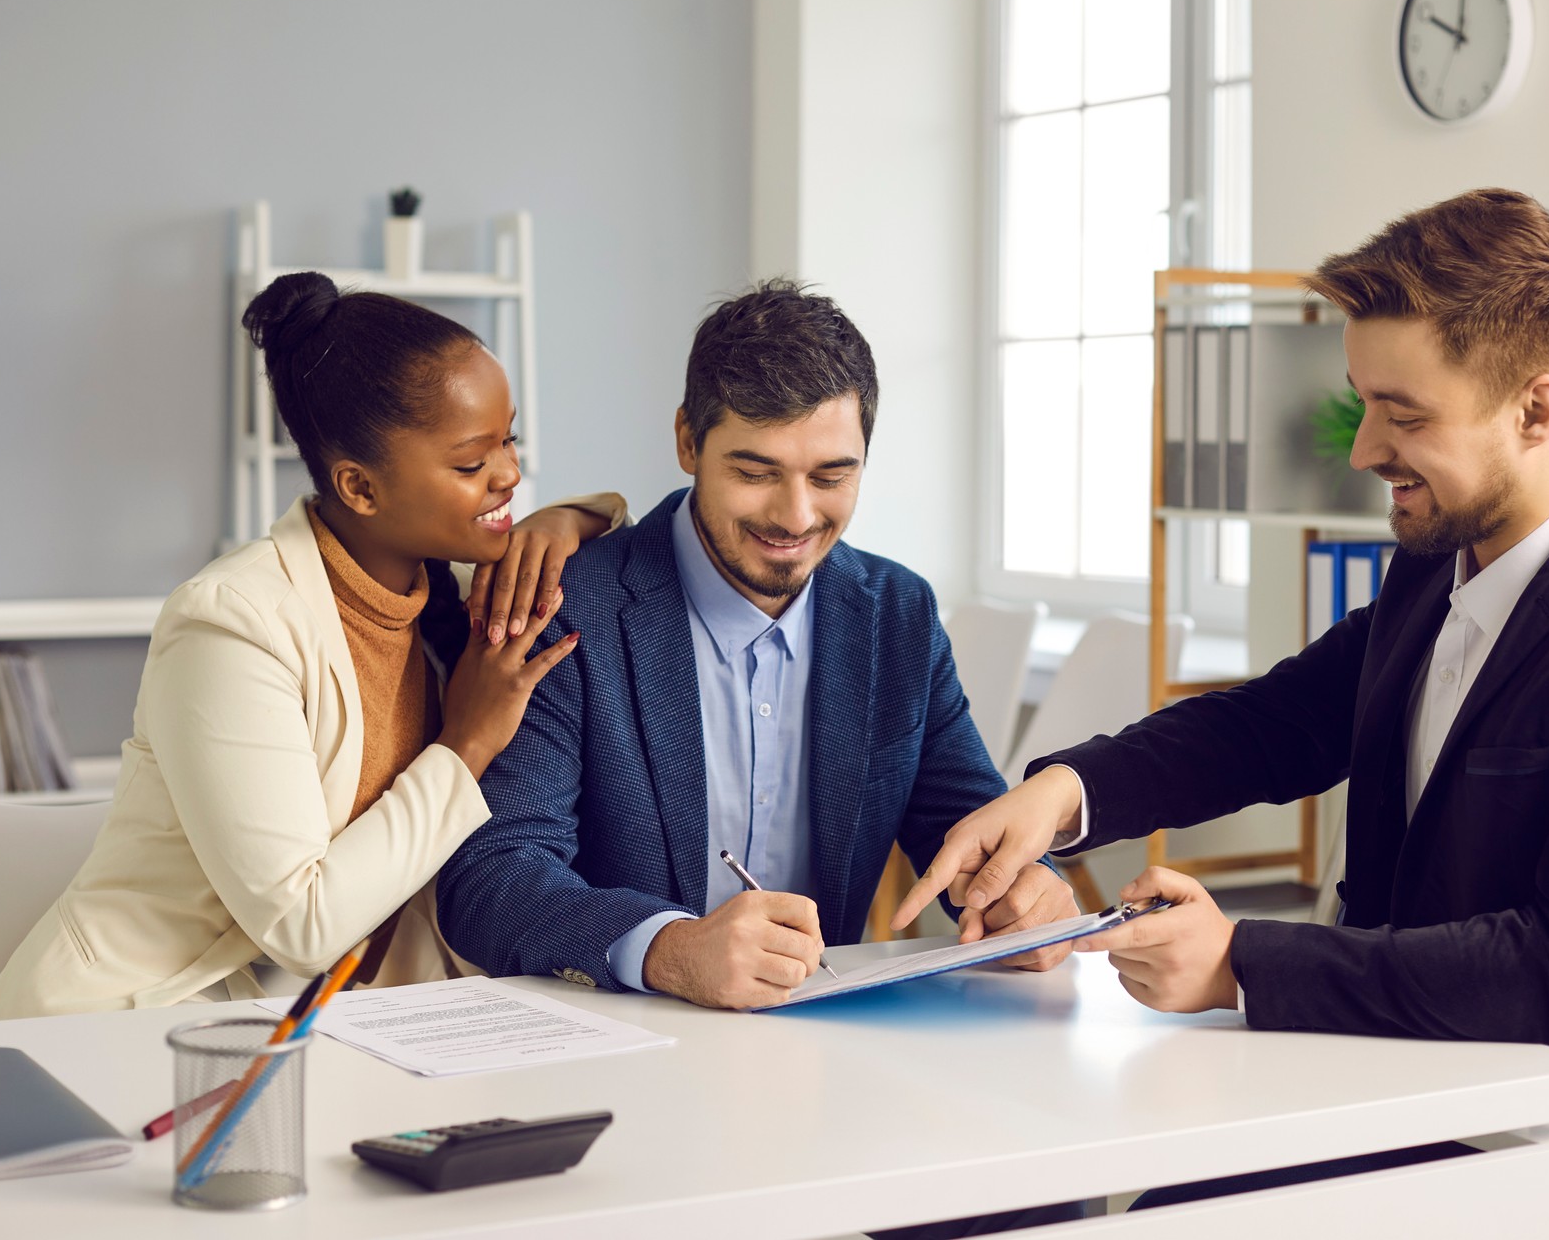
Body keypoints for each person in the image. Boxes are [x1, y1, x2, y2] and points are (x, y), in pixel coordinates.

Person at [896, 190, 1549, 1240]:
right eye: (1364, 401)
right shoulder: (1442, 557)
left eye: (1405, 415)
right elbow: (1277, 722)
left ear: (1538, 410)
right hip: (1411, 1080)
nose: (1364, 449)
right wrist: (1065, 793)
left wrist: (1235, 960)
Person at [0, 272, 624, 1019]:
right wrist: (467, 743)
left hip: (356, 1019)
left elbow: (630, 542)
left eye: (509, 439)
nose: (509, 472)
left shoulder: (445, 593)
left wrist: (567, 518)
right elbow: (301, 924)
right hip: (142, 1020)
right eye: (472, 463)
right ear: (360, 487)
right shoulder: (230, 625)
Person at [436, 280, 1082, 1011]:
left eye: (832, 476)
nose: (795, 516)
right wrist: (670, 949)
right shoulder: (565, 604)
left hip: (828, 1046)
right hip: (615, 1048)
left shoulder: (896, 615)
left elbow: (967, 826)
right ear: (687, 440)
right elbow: (491, 877)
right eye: (754, 472)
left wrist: (1029, 894)